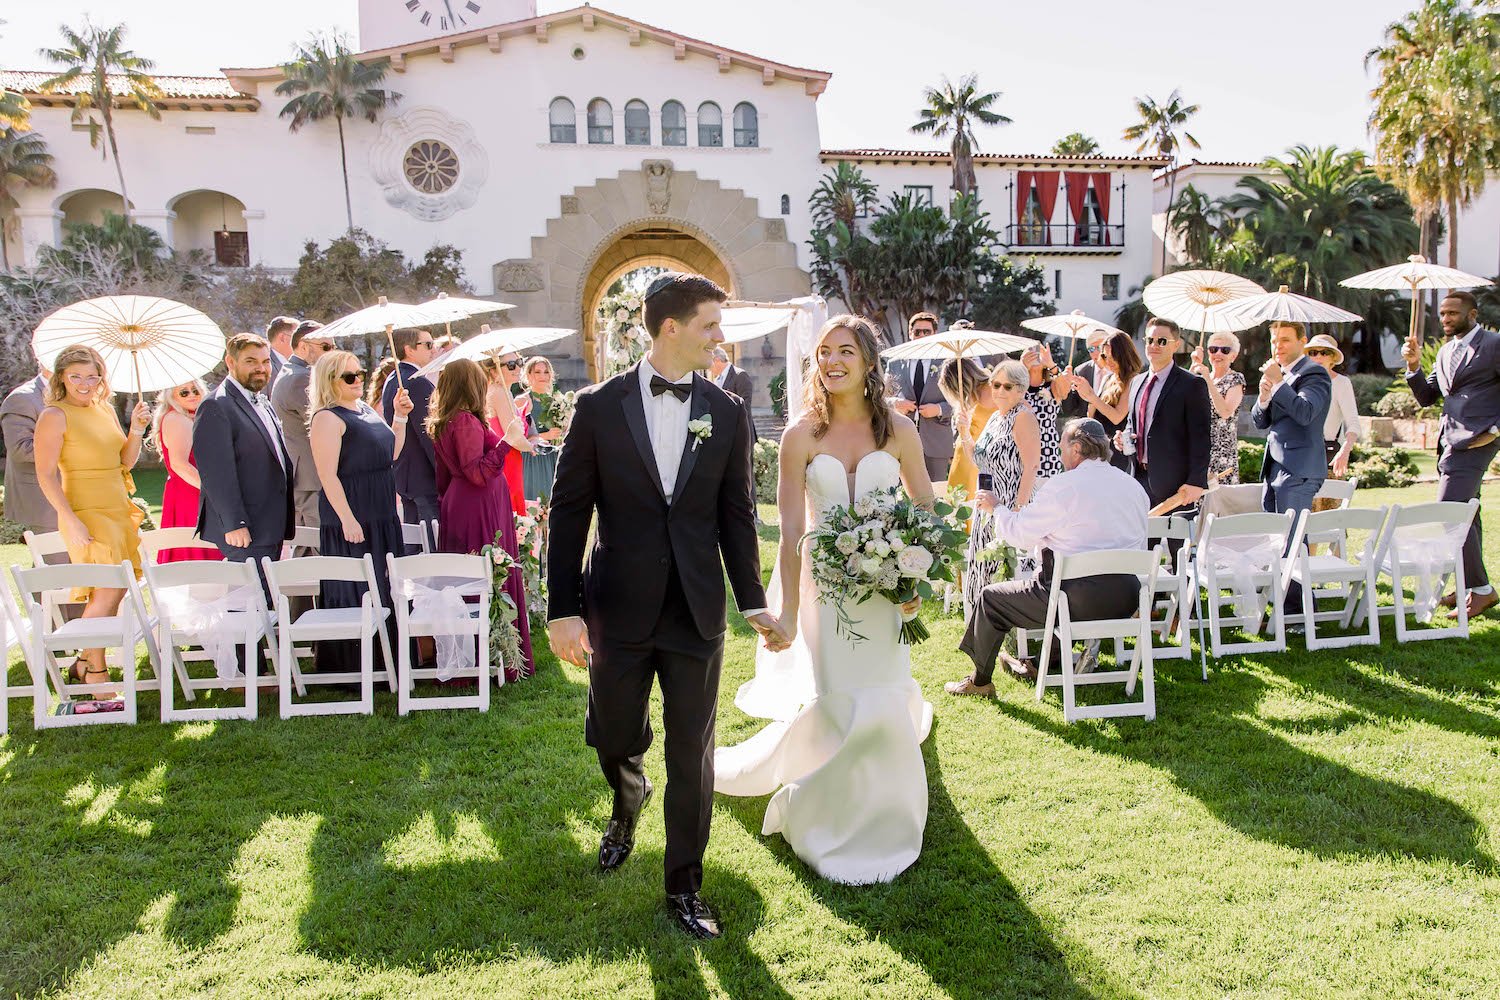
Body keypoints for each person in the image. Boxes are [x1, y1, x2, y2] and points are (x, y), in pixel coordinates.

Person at [547, 270, 782, 939]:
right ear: (670, 327)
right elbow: (568, 514)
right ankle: (627, 794)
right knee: (615, 732)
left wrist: (754, 600)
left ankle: (684, 885)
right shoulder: (597, 407)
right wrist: (562, 607)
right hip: (617, 604)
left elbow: (737, 515)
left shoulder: (727, 411)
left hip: (696, 609)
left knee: (693, 753)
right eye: (711, 324)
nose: (720, 337)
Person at [715, 312, 931, 885]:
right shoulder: (799, 436)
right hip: (826, 592)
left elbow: (926, 508)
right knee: (839, 698)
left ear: (867, 364)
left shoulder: (899, 432)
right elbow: (789, 532)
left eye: (844, 352)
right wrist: (784, 611)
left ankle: (890, 813)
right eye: (823, 352)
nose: (831, 362)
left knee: (884, 696)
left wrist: (912, 578)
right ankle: (828, 814)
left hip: (885, 592)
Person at [950, 418, 1149, 691]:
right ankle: (1046, 660)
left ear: (1076, 449)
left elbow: (1020, 535)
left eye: (1062, 445)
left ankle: (979, 681)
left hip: (1073, 602)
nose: (1059, 451)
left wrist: (997, 508)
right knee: (1056, 585)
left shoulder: (1063, 487)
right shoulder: (1134, 487)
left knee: (991, 599)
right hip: (1125, 600)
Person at [32, 345, 151, 696]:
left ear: (101, 377)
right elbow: (44, 474)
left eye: (92, 376)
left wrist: (137, 430)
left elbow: (124, 463)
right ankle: (96, 673)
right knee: (108, 587)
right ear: (62, 379)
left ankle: (84, 660)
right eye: (76, 377)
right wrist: (69, 519)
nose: (85, 384)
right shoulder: (55, 415)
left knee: (115, 590)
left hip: (116, 506)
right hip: (84, 510)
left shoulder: (104, 408)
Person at [429, 358, 534, 678]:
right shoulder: (462, 422)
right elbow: (476, 472)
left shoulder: (455, 419)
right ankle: (490, 657)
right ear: (470, 385)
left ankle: (490, 655)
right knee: (483, 574)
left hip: (467, 503)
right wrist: (507, 441)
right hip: (477, 506)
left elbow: (444, 478)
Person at [1404, 290, 1500, 617]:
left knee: (1449, 511)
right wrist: (1414, 367)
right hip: (1449, 441)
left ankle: (1483, 590)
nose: (1445, 319)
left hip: (1477, 441)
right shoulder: (1446, 352)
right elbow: (1428, 397)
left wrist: (1494, 431)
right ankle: (1471, 587)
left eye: (1452, 314)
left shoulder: (1493, 344)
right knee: (1467, 514)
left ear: (1472, 315)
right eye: (1443, 314)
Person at [310, 350, 413, 654]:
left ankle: (390, 658)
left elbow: (391, 453)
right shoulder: (327, 418)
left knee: (384, 583)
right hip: (353, 516)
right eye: (349, 376)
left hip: (381, 513)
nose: (358, 380)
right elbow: (327, 475)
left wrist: (401, 417)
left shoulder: (365, 408)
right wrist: (348, 519)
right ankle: (355, 664)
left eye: (360, 373)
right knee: (360, 586)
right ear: (330, 381)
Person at [193, 333, 295, 568]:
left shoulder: (263, 401)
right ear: (230, 362)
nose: (261, 368)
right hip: (245, 527)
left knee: (266, 598)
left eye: (265, 361)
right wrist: (234, 523)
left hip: (271, 522)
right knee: (249, 601)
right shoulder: (216, 405)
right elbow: (216, 473)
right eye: (251, 361)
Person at [959, 360, 1044, 617]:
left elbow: (1031, 466)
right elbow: (978, 459)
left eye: (1007, 386)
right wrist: (964, 431)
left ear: (1021, 390)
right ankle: (981, 627)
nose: (999, 391)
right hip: (986, 506)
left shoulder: (1023, 417)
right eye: (995, 385)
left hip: (1010, 505)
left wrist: (1018, 511)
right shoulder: (996, 417)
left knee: (1006, 570)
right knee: (982, 566)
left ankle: (1008, 630)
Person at [1118, 317, 1212, 515]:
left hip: (1177, 486)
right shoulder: (1136, 382)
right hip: (1139, 479)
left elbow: (1201, 438)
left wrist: (1196, 481)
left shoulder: (1192, 384)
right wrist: (1122, 439)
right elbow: (1131, 425)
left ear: (1176, 345)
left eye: (1161, 341)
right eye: (1150, 340)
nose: (1154, 345)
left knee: (1177, 545)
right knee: (1141, 544)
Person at [270, 320, 334, 539]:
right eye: (326, 347)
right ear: (304, 346)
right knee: (320, 542)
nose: (331, 353)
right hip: (311, 476)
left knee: (308, 543)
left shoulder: (292, 371)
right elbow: (326, 423)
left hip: (304, 474)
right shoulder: (302, 378)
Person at [151, 377, 221, 563]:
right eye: (184, 392)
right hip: (190, 493)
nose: (191, 395)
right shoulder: (176, 419)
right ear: (172, 396)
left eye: (195, 390)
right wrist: (214, 492)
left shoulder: (193, 416)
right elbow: (179, 464)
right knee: (197, 552)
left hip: (197, 490)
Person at [380, 329, 439, 535]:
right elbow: (428, 434)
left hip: (405, 474)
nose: (434, 349)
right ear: (409, 349)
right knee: (430, 543)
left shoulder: (392, 378)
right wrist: (443, 472)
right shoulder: (416, 381)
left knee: (413, 541)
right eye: (428, 344)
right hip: (424, 477)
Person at [888, 312, 952, 481]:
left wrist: (938, 409)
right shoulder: (894, 363)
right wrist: (894, 403)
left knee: (937, 494)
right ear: (910, 334)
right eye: (917, 332)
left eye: (926, 332)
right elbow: (880, 397)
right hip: (901, 439)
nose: (922, 336)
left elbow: (960, 401)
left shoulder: (947, 362)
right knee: (902, 497)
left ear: (934, 334)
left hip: (936, 440)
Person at [1068, 331, 1142, 473]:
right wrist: (1085, 393)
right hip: (1098, 448)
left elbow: (1117, 416)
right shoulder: (1108, 378)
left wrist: (1092, 396)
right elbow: (1092, 413)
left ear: (1124, 355)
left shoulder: (1133, 379)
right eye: (1105, 356)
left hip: (1117, 449)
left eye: (1113, 356)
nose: (1108, 361)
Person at [2, 356, 57, 533]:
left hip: (78, 493)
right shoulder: (22, 398)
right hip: (42, 499)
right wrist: (72, 448)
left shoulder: (78, 397)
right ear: (42, 360)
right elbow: (21, 449)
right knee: (55, 559)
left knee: (79, 559)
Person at [1188, 332, 1246, 485]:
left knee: (1219, 503)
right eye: (1213, 349)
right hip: (1198, 448)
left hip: (1221, 453)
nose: (1218, 353)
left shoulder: (1235, 379)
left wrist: (1207, 379)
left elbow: (1226, 412)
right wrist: (1192, 369)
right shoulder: (1199, 377)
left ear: (1233, 356)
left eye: (1225, 350)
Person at [1305, 333, 1360, 482]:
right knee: (1302, 506)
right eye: (1313, 352)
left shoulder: (1341, 383)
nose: (1318, 357)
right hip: (1302, 459)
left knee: (1332, 505)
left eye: (1325, 352)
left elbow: (1353, 423)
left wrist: (1345, 451)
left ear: (1333, 358)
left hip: (1330, 460)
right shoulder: (1300, 382)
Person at [938, 356, 994, 502]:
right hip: (965, 453)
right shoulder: (987, 389)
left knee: (970, 503)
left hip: (975, 456)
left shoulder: (992, 389)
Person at [483, 352, 532, 514]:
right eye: (511, 365)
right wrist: (532, 447)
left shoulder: (499, 391)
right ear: (494, 371)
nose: (517, 367)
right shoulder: (500, 392)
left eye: (519, 362)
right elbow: (513, 436)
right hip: (507, 458)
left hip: (504, 457)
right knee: (510, 511)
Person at [1020, 343, 1069, 482]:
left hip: (1047, 452)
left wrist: (1052, 364)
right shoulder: (1017, 386)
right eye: (1030, 352)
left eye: (1038, 352)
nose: (1034, 355)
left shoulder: (1052, 385)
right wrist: (1020, 368)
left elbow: (1065, 391)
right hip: (1022, 450)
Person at [521, 355, 563, 501]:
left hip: (551, 456)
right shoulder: (523, 400)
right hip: (532, 459)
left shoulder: (557, 401)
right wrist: (545, 436)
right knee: (534, 501)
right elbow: (517, 436)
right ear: (529, 375)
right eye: (537, 372)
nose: (543, 376)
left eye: (546, 372)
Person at [1059, 326, 1112, 422]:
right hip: (1088, 430)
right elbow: (1068, 409)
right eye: (1091, 349)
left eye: (1099, 347)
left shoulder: (1118, 370)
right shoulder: (1081, 371)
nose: (1096, 352)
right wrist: (1066, 384)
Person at [709, 346, 757, 438]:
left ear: (717, 360)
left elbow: (745, 406)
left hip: (740, 433)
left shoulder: (740, 375)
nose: (708, 368)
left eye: (709, 363)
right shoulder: (717, 380)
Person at [265, 315, 297, 386]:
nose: (301, 343)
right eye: (297, 337)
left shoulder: (294, 364)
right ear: (282, 338)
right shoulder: (265, 366)